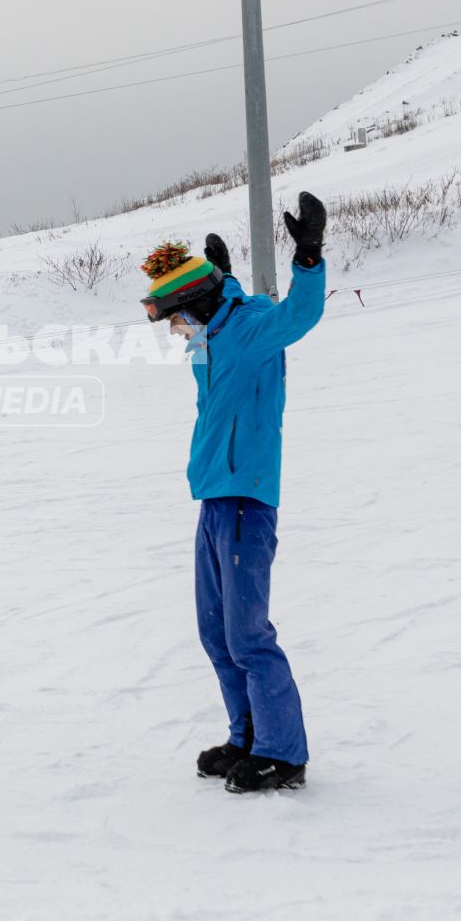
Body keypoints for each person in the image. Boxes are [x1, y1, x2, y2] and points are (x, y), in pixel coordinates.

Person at [139, 192, 328, 793]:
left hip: (248, 501)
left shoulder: (249, 332)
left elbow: (297, 316)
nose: (175, 329)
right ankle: (246, 735)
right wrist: (223, 279)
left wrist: (308, 255)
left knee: (247, 632)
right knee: (217, 630)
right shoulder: (214, 338)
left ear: (196, 304)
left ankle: (282, 752)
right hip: (214, 499)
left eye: (176, 316)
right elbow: (220, 313)